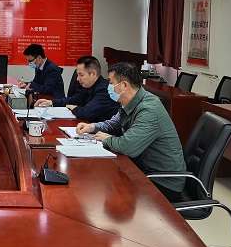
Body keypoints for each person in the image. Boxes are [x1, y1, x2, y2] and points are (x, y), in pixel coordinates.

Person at [76, 61, 186, 202]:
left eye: (111, 83)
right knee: (101, 180)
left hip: (163, 182)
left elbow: (128, 147)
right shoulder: (129, 102)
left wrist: (107, 139)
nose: (108, 87)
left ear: (124, 85)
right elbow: (114, 124)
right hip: (142, 170)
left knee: (104, 188)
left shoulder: (149, 109)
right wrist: (92, 127)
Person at [34, 55, 119, 122]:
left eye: (81, 75)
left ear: (93, 74)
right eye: (77, 75)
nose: (78, 79)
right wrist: (52, 102)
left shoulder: (105, 90)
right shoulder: (88, 86)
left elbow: (86, 113)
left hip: (103, 133)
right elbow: (73, 100)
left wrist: (73, 108)